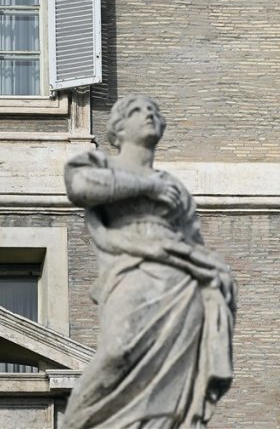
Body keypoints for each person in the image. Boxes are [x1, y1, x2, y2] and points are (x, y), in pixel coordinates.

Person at [63, 95, 236, 428]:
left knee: (174, 378)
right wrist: (146, 185)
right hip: (129, 270)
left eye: (154, 111)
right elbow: (79, 186)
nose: (149, 115)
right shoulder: (101, 164)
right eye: (138, 111)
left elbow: (191, 240)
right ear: (118, 128)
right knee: (117, 350)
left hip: (181, 282)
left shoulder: (175, 187)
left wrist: (215, 274)